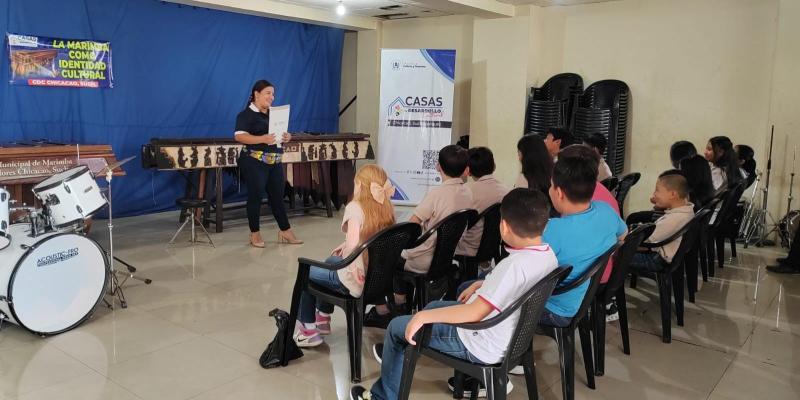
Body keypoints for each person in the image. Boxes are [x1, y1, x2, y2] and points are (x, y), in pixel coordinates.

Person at [349, 188, 558, 400]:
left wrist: (422, 317)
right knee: (431, 309)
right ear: (545, 223)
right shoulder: (548, 256)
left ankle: (381, 396)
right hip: (506, 334)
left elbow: (474, 313)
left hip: (478, 341)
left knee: (396, 327)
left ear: (503, 227)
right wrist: (480, 284)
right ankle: (403, 355)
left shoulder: (513, 267)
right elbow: (514, 288)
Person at [364, 145, 473, 328]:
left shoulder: (436, 194)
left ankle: (392, 306)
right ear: (465, 170)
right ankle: (402, 301)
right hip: (445, 258)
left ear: (438, 166)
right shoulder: (468, 192)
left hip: (423, 260)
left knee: (383, 255)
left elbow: (412, 226)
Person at [292, 165, 396, 347]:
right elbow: (373, 238)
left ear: (360, 186)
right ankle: (322, 317)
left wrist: (348, 245)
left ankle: (308, 331)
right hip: (378, 279)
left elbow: (353, 247)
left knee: (306, 273)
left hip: (353, 280)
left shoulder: (356, 207)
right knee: (332, 259)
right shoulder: (386, 207)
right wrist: (346, 244)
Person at [538, 145, 627, 328]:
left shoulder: (553, 229)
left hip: (555, 307)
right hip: (586, 294)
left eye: (551, 186)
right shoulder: (606, 210)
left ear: (559, 193)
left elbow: (527, 271)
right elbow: (624, 236)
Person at [235, 79, 302, 247]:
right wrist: (262, 139)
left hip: (274, 161)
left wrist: (288, 137)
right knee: (255, 196)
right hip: (254, 161)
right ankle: (255, 233)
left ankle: (285, 231)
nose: (272, 97)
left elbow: (278, 134)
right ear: (256, 94)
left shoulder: (273, 114)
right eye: (268, 93)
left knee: (277, 196)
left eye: (273, 94)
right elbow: (239, 136)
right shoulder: (245, 115)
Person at [629, 171, 695, 272]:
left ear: (673, 194)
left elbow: (646, 239)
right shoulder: (685, 210)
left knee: (612, 257)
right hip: (658, 253)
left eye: (657, 190)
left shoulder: (675, 219)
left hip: (655, 260)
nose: (654, 194)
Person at [455, 147, 510, 260]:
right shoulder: (506, 191)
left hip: (467, 247)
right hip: (493, 245)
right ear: (493, 166)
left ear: (468, 170)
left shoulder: (465, 191)